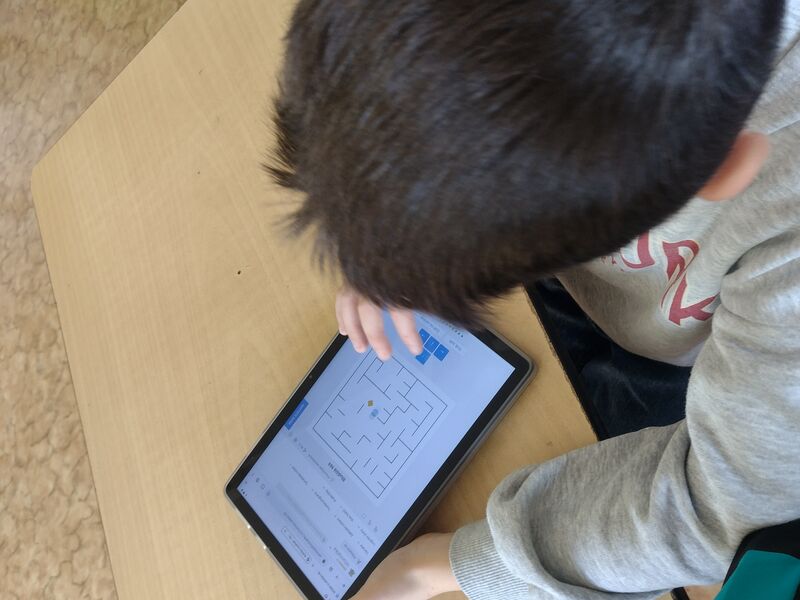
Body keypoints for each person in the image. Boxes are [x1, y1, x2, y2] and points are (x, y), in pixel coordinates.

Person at [268, 0, 800, 598]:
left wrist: (443, 566)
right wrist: (388, 238)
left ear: (727, 169)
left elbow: (724, 509)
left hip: (720, 373)